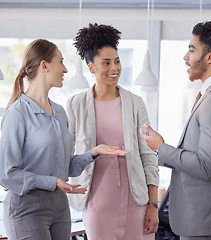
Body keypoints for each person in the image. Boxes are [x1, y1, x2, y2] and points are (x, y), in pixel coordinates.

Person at [0, 39, 128, 240]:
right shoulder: (17, 113)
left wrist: (93, 152)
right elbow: (6, 174)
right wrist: (52, 182)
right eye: (60, 62)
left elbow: (66, 168)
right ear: (44, 65)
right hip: (26, 207)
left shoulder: (59, 112)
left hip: (60, 206)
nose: (66, 69)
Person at [141, 20, 211, 240]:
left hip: (207, 220)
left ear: (210, 57)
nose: (185, 57)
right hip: (205, 218)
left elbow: (207, 165)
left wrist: (161, 148)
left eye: (191, 49)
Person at [67, 23, 159, 240]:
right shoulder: (75, 105)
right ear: (91, 68)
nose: (114, 68)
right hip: (97, 202)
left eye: (117, 61)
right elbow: (66, 158)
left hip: (136, 201)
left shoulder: (136, 103)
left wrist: (153, 204)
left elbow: (148, 155)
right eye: (106, 63)